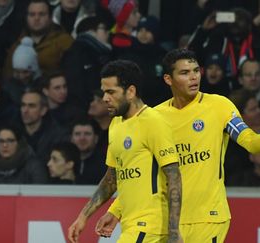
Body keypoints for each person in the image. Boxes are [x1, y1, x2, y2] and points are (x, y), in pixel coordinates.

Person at [96, 49, 260, 242]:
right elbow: (141, 174)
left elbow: (251, 142)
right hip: (167, 220)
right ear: (168, 79)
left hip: (208, 218)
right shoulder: (155, 117)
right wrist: (116, 210)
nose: (193, 77)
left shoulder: (219, 106)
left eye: (196, 71)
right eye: (184, 73)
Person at [67, 60, 183, 243]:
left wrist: (174, 232)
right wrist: (84, 216)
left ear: (130, 92)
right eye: (104, 91)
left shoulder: (153, 121)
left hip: (149, 225)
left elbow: (174, 176)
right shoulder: (116, 124)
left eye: (111, 92)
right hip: (132, 225)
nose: (105, 98)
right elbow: (113, 178)